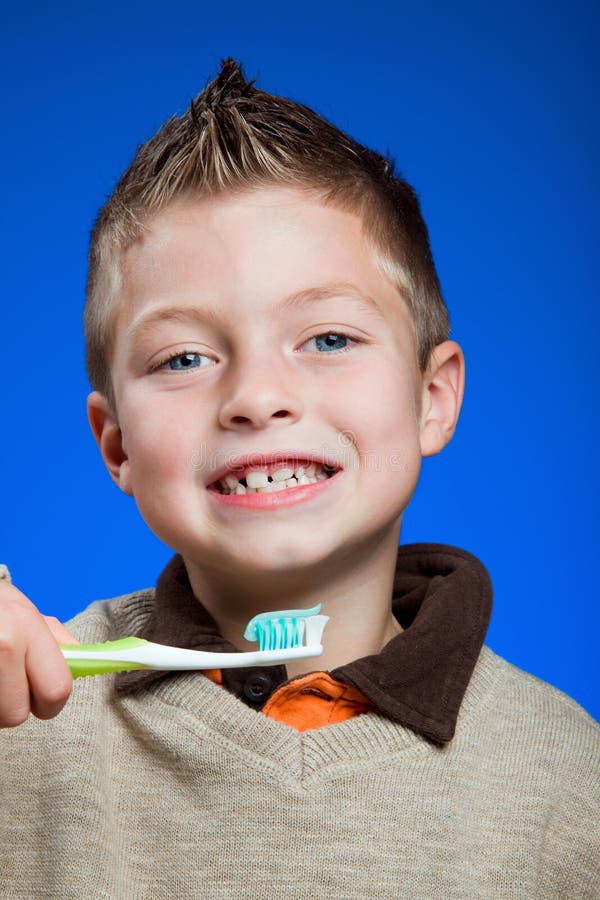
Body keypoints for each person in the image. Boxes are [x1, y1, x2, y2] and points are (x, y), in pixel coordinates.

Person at [0, 58, 597, 898]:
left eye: (326, 339)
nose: (257, 398)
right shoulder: (22, 718)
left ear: (432, 399)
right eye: (185, 358)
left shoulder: (567, 779)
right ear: (117, 445)